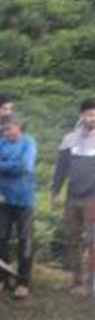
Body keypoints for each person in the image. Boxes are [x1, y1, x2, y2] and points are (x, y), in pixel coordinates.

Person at [0, 116, 37, 299]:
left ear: (19, 127)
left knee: (25, 240)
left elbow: (26, 167)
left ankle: (23, 282)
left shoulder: (29, 143)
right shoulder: (0, 144)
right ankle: (2, 277)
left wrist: (1, 165)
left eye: (10, 128)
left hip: (24, 199)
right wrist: (4, 166)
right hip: (3, 198)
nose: (8, 132)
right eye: (4, 129)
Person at [51, 99, 95, 297]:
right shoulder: (69, 139)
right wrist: (55, 192)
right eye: (89, 114)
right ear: (81, 116)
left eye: (94, 114)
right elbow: (61, 169)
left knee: (92, 240)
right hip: (72, 197)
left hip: (92, 198)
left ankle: (90, 283)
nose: (92, 118)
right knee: (72, 238)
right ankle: (76, 280)